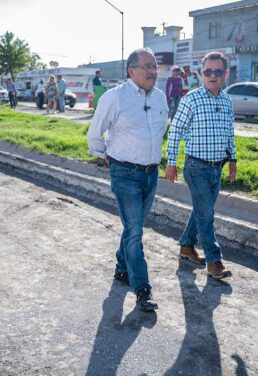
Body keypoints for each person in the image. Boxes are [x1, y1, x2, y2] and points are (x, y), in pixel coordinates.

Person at [87, 48, 168, 312]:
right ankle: (142, 289)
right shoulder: (115, 97)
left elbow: (159, 131)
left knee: (133, 227)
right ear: (131, 70)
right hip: (125, 173)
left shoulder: (159, 97)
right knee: (135, 230)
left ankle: (122, 268)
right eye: (147, 66)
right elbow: (95, 133)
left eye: (155, 66)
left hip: (151, 173)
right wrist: (104, 156)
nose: (153, 71)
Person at [165, 51, 237, 280]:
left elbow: (229, 133)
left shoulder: (227, 101)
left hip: (217, 167)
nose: (212, 76)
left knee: (202, 211)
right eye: (208, 71)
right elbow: (175, 131)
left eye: (217, 72)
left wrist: (232, 159)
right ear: (201, 73)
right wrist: (171, 162)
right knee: (207, 215)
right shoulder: (191, 99)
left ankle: (186, 245)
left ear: (225, 74)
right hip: (195, 167)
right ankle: (214, 262)